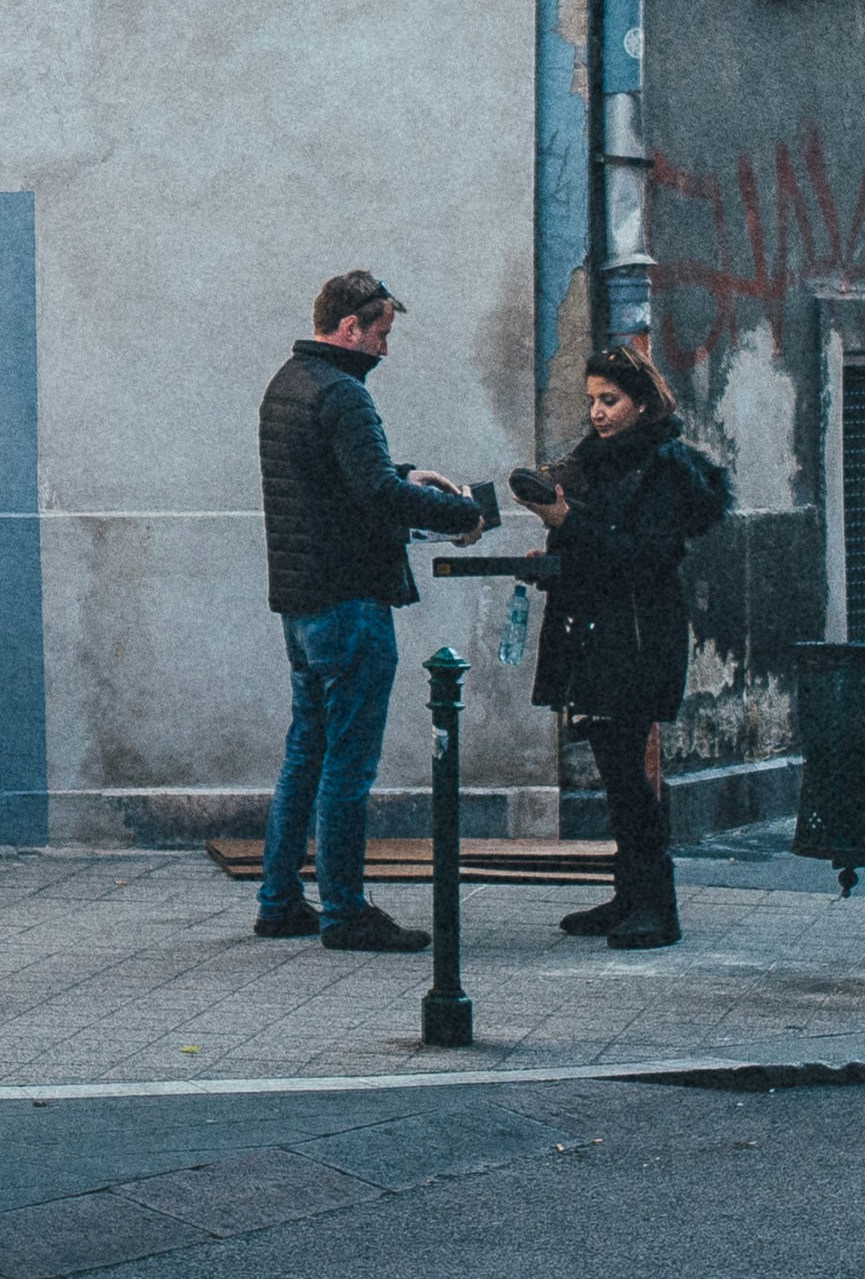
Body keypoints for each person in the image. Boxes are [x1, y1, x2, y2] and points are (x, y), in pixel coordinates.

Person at [255, 271, 494, 949]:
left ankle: (279, 900)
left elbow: (342, 479)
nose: (386, 348)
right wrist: (463, 514)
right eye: (381, 333)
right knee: (348, 766)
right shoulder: (344, 394)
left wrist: (402, 472)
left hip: (300, 604)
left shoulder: (288, 383)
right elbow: (374, 495)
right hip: (350, 599)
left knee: (306, 749)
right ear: (350, 327)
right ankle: (344, 911)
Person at [518, 343, 731, 947]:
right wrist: (552, 558)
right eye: (591, 402)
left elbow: (644, 557)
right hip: (596, 633)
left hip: (636, 638)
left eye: (609, 401)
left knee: (628, 774)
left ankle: (657, 908)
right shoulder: (599, 462)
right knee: (614, 771)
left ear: (641, 403)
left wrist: (566, 525)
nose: (597, 413)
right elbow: (596, 546)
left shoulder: (664, 469)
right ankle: (629, 896)